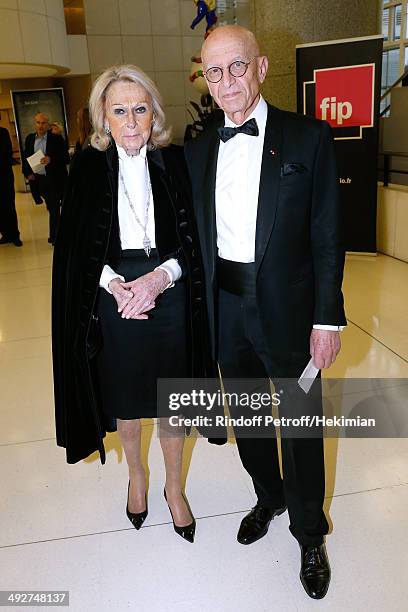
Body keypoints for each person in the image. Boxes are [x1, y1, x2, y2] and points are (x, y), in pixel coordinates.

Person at [185, 25, 346, 599]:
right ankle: (269, 495)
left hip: (292, 309)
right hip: (226, 308)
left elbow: (328, 234)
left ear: (260, 66)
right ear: (204, 77)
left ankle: (309, 532)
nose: (225, 82)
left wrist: (328, 318)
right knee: (250, 417)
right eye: (213, 71)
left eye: (236, 67)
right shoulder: (199, 147)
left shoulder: (308, 138)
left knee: (301, 423)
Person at [52, 64, 222, 544]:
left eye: (139, 110)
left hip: (168, 295)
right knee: (126, 403)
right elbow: (74, 249)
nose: (130, 121)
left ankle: (173, 487)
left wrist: (158, 279)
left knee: (173, 400)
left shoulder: (176, 162)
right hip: (113, 297)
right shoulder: (86, 167)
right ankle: (136, 477)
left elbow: (196, 245)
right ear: (104, 118)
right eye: (119, 111)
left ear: (154, 115)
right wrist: (113, 284)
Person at [22, 112, 69, 245]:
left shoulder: (55, 138)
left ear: (48, 125)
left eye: (43, 123)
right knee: (51, 207)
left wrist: (51, 159)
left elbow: (65, 157)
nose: (40, 126)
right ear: (34, 123)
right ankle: (57, 234)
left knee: (54, 209)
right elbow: (26, 157)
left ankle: (55, 237)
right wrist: (27, 173)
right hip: (39, 180)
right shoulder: (30, 139)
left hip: (54, 179)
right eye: (38, 122)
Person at [0, 125, 22, 246]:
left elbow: (6, 152)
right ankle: (5, 234)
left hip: (4, 176)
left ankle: (14, 235)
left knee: (9, 205)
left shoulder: (3, 132)